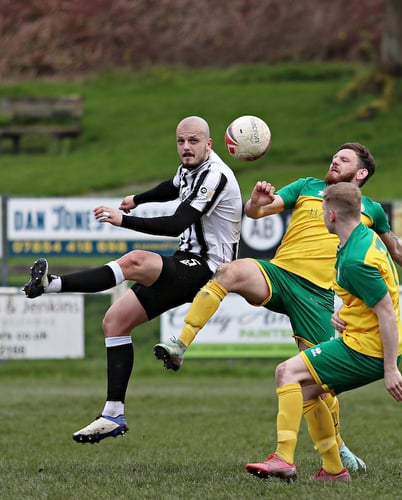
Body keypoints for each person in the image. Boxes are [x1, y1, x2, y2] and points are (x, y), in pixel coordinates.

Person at [153, 142, 402, 471]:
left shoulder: (368, 209)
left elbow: (397, 248)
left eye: (344, 159)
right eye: (334, 156)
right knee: (229, 271)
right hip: (280, 275)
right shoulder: (307, 186)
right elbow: (259, 210)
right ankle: (180, 344)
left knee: (313, 384)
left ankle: (336, 454)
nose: (335, 161)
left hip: (317, 298)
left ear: (360, 173)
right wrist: (257, 203)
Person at [22, 116, 242, 444]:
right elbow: (172, 185)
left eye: (194, 141)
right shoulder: (189, 168)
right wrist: (139, 198)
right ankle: (113, 414)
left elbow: (176, 224)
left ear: (209, 144)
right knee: (115, 321)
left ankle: (51, 284)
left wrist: (124, 219)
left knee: (135, 260)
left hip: (211, 270)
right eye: (181, 141)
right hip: (187, 262)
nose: (186, 147)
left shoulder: (215, 175)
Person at [245, 182, 402, 482]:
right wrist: (344, 312)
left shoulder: (357, 260)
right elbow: (370, 298)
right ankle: (333, 470)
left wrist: (390, 368)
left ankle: (283, 459)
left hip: (366, 350)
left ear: (331, 215)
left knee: (286, 373)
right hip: (362, 341)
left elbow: (385, 311)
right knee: (305, 391)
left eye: (321, 211)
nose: (319, 216)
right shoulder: (362, 238)